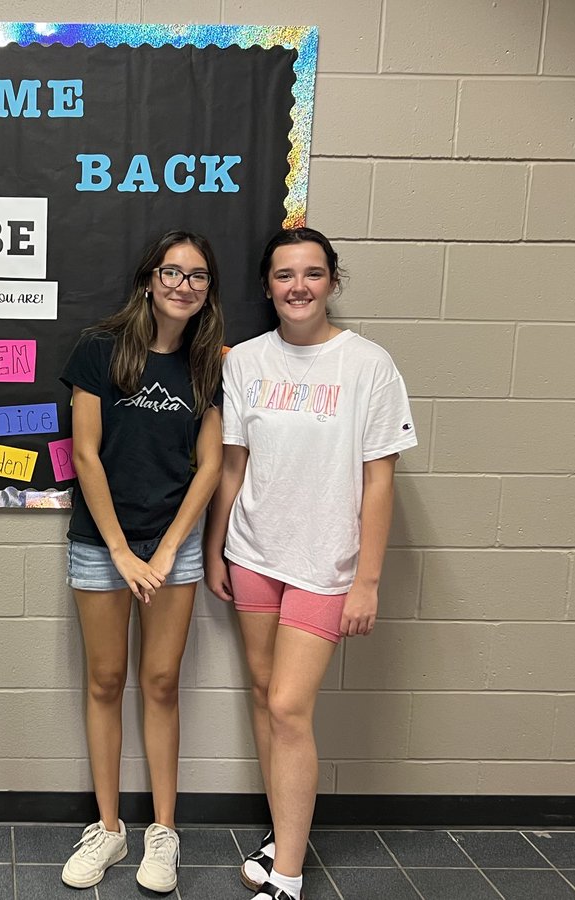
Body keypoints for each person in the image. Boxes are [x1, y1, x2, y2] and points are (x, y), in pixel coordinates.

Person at [204, 227, 417, 900]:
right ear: (267, 286)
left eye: (313, 273)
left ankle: (288, 877)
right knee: (268, 701)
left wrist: (368, 581)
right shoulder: (245, 364)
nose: (299, 286)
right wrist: (217, 547)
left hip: (326, 564)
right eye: (285, 274)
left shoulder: (368, 365)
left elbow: (380, 481)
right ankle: (282, 834)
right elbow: (234, 465)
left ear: (332, 281)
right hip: (254, 554)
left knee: (291, 707)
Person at [59, 230, 225, 893]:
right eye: (173, 272)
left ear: (209, 291)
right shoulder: (99, 348)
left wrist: (167, 548)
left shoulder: (210, 362)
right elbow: (85, 454)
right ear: (149, 280)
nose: (184, 285)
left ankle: (163, 833)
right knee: (105, 682)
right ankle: (108, 829)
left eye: (199, 277)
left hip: (172, 551)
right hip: (104, 547)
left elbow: (210, 465)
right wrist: (125, 552)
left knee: (160, 684)